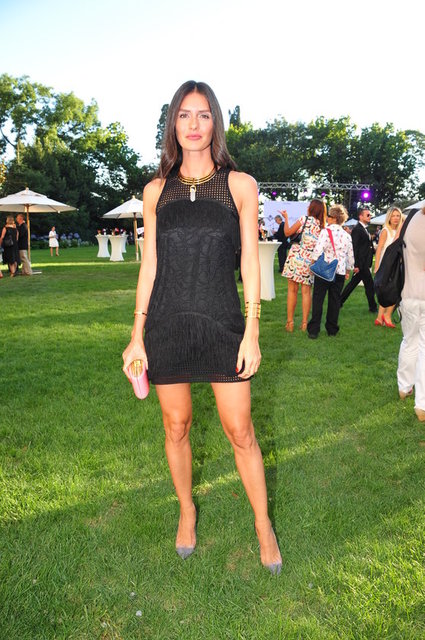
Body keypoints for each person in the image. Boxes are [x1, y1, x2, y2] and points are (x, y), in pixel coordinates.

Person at [122, 81, 282, 574]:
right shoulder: (155, 191)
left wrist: (252, 330)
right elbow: (150, 266)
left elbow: (250, 264)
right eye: (184, 115)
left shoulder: (240, 185)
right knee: (176, 426)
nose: (193, 124)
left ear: (216, 124)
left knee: (241, 430)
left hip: (222, 323)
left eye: (204, 114)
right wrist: (136, 335)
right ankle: (187, 511)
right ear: (173, 123)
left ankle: (263, 525)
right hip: (167, 324)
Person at [307, 204, 354, 339]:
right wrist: (348, 270)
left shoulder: (325, 232)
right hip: (339, 271)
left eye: (329, 215)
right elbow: (350, 256)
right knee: (335, 301)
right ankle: (332, 329)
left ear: (334, 218)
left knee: (318, 300)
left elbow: (318, 250)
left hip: (324, 270)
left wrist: (312, 264)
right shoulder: (347, 235)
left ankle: (314, 330)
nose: (327, 218)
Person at [280, 199, 326, 332]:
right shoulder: (322, 226)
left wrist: (286, 218)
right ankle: (305, 324)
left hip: (296, 257)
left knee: (292, 290)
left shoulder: (303, 219)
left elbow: (287, 233)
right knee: (306, 292)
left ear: (312, 208)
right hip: (310, 261)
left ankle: (290, 323)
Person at [397, 207, 425, 422]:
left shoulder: (412, 218)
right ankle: (422, 404)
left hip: (407, 292)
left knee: (409, 340)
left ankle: (404, 387)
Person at [340, 208, 378, 312]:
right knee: (369, 286)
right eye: (367, 215)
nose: (370, 216)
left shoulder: (365, 229)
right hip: (361, 263)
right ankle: (373, 307)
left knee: (353, 284)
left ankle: (339, 301)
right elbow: (354, 247)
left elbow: (366, 246)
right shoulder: (357, 229)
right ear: (360, 216)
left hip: (364, 262)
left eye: (370, 215)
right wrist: (356, 264)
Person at [373, 206, 403, 328]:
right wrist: (376, 267)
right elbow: (379, 249)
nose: (396, 218)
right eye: (393, 216)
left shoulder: (401, 231)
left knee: (390, 290)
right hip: (386, 266)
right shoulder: (386, 231)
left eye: (398, 216)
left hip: (396, 265)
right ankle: (387, 316)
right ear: (389, 218)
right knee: (390, 290)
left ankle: (380, 317)